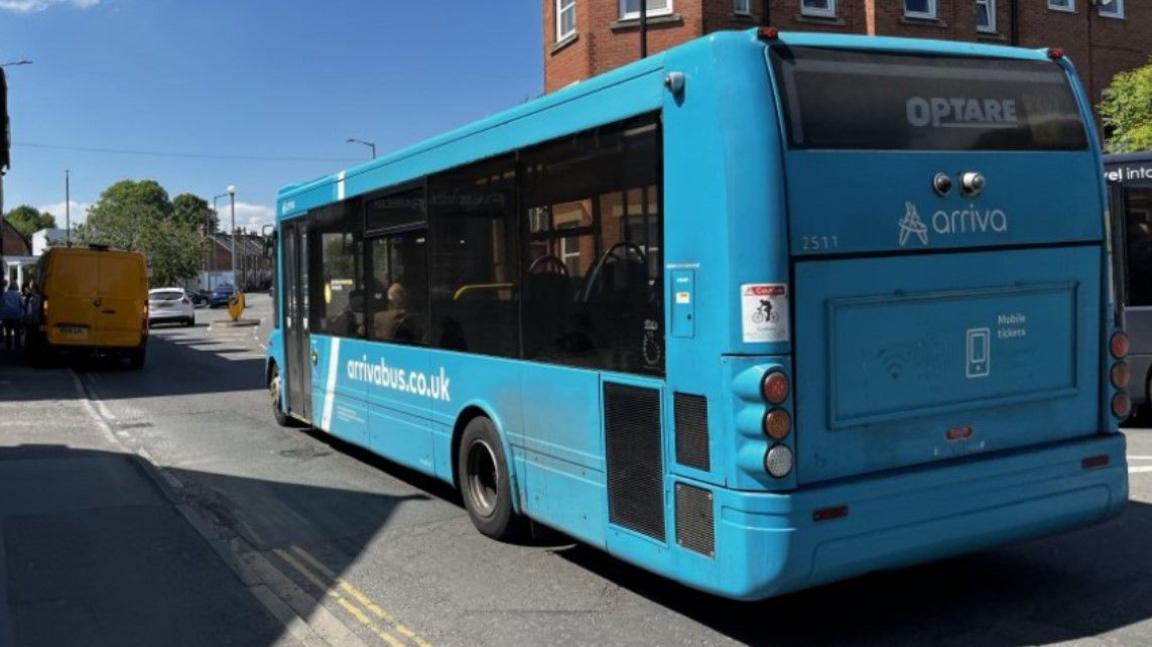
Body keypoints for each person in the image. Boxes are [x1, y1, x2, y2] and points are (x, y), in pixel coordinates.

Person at [0, 281, 26, 350]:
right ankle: (17, 346)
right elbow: (23, 305)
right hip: (16, 316)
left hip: (6, 316)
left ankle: (8, 346)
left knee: (8, 332)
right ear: (16, 287)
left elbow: (1, 305)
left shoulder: (4, 294)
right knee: (17, 332)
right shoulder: (18, 295)